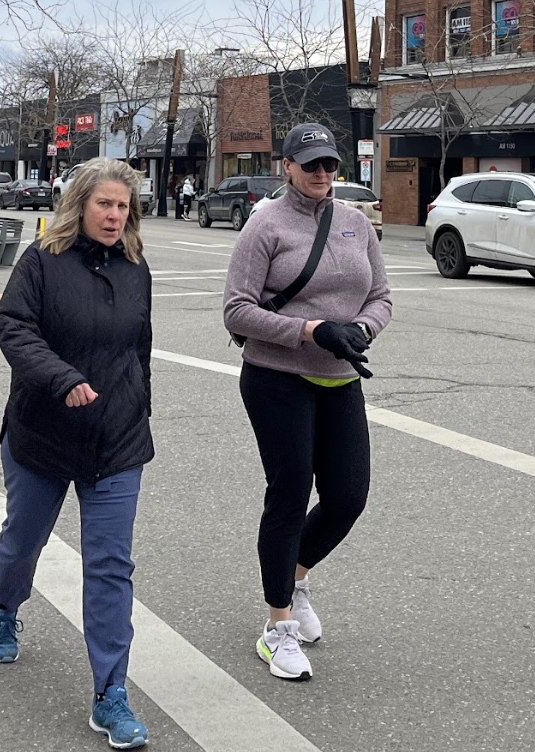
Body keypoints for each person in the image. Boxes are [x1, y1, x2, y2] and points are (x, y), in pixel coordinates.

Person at [0, 157, 154, 749]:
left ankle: (111, 693)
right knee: (22, 542)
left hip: (117, 439)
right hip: (43, 431)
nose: (115, 215)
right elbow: (14, 329)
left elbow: (140, 348)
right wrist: (60, 379)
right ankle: (5, 605)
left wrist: (140, 409)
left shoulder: (136, 267)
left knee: (110, 565)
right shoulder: (41, 262)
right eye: (104, 204)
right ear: (79, 205)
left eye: (123, 206)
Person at [223, 122, 392, 682]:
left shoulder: (355, 222)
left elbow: (381, 295)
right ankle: (277, 629)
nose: (322, 174)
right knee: (290, 494)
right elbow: (238, 311)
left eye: (330, 165)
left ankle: (295, 579)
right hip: (277, 377)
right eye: (311, 164)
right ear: (287, 166)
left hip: (341, 376)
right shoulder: (264, 225)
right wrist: (312, 330)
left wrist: (361, 329)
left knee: (347, 497)